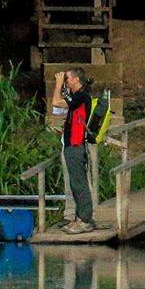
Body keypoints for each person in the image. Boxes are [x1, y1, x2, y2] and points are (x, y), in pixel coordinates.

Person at [49, 68, 98, 232]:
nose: (66, 81)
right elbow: (59, 109)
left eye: (68, 78)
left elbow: (56, 102)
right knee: (75, 183)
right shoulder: (77, 97)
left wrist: (57, 84)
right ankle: (79, 217)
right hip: (71, 144)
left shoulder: (82, 96)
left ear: (76, 79)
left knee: (80, 183)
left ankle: (85, 220)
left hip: (76, 145)